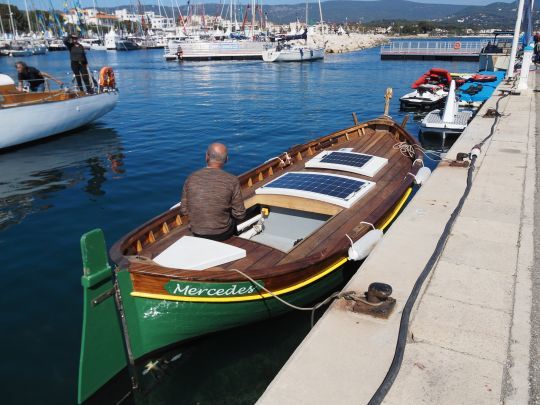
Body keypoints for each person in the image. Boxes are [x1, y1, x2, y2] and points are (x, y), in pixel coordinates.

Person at [180, 143, 246, 241]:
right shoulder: (232, 180)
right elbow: (240, 214)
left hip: (196, 231)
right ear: (226, 159)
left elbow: (183, 210)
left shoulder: (191, 178)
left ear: (206, 156)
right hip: (222, 233)